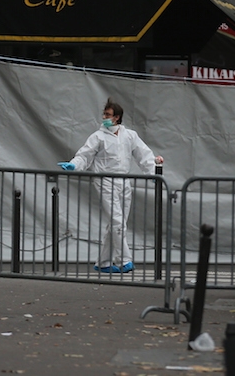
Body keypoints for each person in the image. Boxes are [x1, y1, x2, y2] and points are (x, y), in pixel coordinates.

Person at [58, 98, 163, 273]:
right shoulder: (97, 137)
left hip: (124, 181)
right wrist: (74, 164)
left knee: (117, 224)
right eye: (104, 114)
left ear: (117, 117)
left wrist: (153, 171)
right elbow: (85, 155)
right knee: (117, 221)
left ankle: (104, 263)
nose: (104, 117)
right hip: (105, 180)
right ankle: (124, 260)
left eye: (108, 114)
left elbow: (143, 154)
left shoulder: (130, 135)